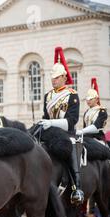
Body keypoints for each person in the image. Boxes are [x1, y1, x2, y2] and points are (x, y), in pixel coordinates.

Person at [39, 47, 84, 206]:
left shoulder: (72, 95)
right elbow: (46, 116)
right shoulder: (48, 96)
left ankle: (76, 187)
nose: (54, 80)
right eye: (52, 78)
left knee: (70, 148)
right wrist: (44, 123)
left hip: (66, 133)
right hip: (50, 133)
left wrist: (51, 123)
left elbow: (72, 121)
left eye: (57, 77)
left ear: (64, 77)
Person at [77, 78, 108, 144]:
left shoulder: (102, 111)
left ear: (97, 99)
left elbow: (97, 126)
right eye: (87, 99)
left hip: (98, 138)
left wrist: (82, 131)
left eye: (91, 99)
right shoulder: (86, 112)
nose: (88, 101)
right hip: (86, 137)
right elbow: (85, 126)